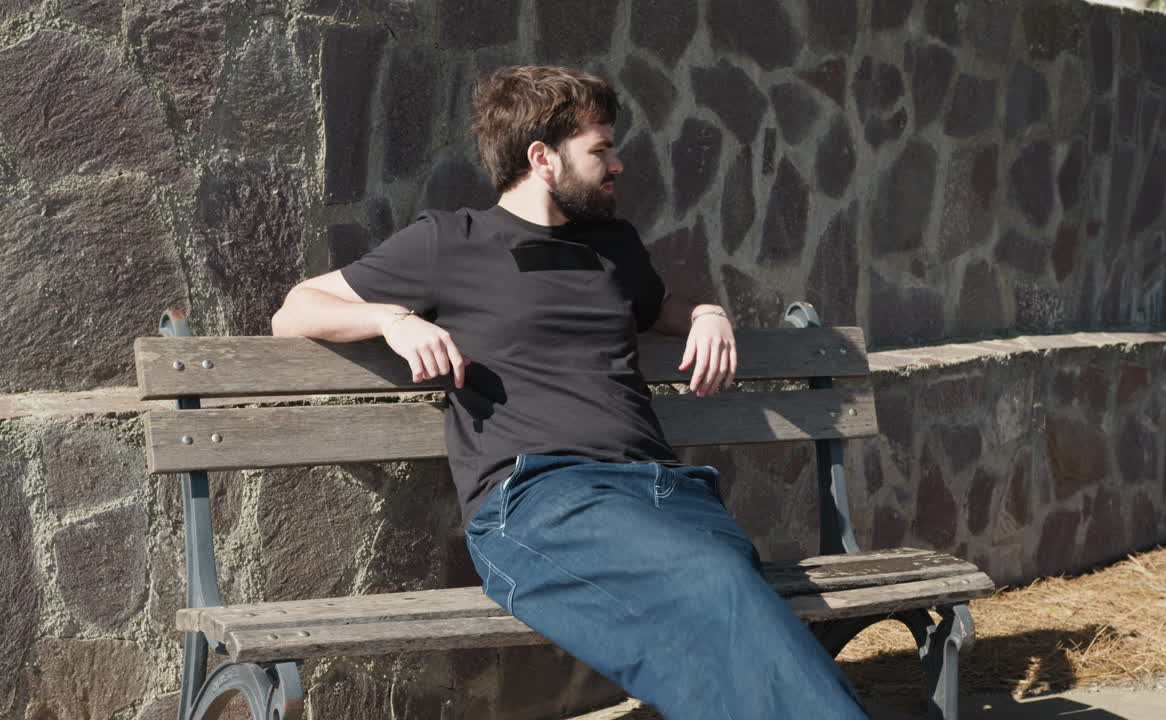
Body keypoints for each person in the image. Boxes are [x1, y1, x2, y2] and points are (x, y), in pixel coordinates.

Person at [272, 65, 869, 720]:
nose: (617, 165)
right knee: (717, 587)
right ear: (542, 158)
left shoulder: (614, 245)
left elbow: (659, 307)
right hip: (541, 496)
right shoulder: (451, 241)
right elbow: (295, 310)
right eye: (600, 149)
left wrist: (706, 314)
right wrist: (392, 319)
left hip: (667, 491)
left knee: (728, 608)